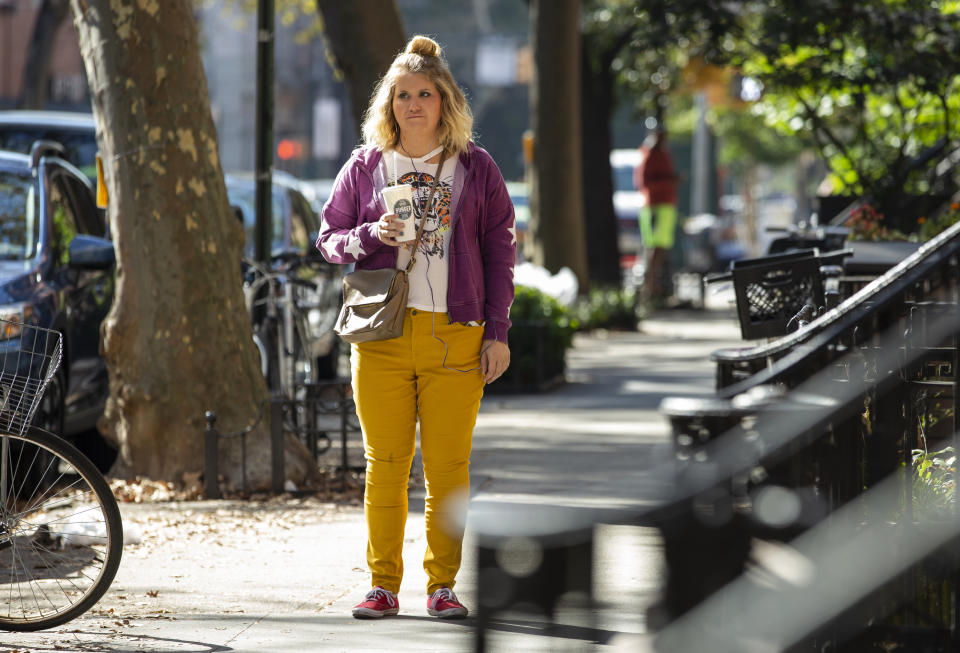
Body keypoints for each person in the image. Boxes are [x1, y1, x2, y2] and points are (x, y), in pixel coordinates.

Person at [317, 35, 516, 620]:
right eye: (402, 95)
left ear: (444, 101)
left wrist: (498, 331)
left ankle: (442, 586)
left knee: (449, 469)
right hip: (381, 335)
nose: (413, 104)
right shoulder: (366, 166)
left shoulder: (477, 169)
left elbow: (500, 252)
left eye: (424, 93)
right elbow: (328, 240)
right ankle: (382, 585)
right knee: (385, 464)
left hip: (456, 334)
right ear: (389, 104)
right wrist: (368, 236)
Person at [634, 127, 679, 305]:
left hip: (666, 206)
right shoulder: (649, 154)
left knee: (662, 248)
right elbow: (644, 183)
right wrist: (669, 181)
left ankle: (656, 288)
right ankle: (650, 289)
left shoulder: (663, 153)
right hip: (655, 206)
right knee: (654, 248)